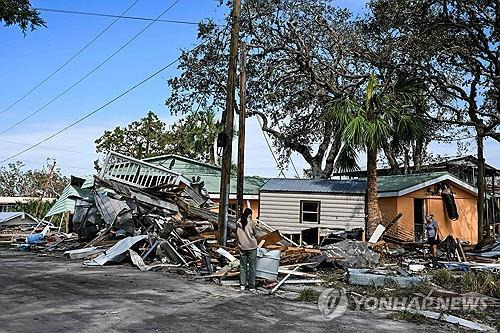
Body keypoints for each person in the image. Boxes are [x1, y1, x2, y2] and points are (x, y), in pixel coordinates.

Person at [237, 208, 257, 292]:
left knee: (242, 267)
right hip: (252, 246)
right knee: (252, 267)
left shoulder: (238, 223)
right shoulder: (252, 223)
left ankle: (242, 285)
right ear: (250, 215)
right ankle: (251, 286)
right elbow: (255, 233)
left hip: (242, 247)